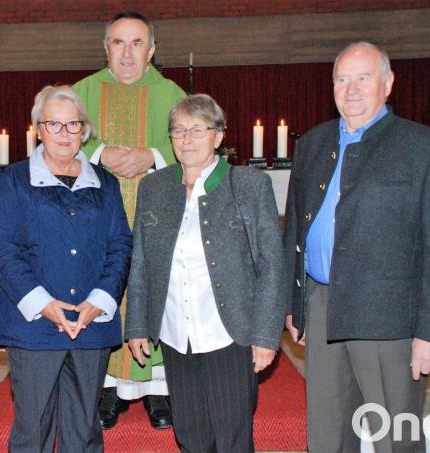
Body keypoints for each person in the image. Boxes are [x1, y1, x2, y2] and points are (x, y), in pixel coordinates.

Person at [283, 41, 430, 452]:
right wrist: (295, 306)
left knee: (394, 441)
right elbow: (295, 230)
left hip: (391, 322)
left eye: (363, 78)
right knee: (328, 439)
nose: (351, 89)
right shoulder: (312, 144)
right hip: (323, 308)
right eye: (342, 79)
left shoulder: (428, 149)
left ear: (388, 84)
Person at [125, 94, 287, 452]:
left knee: (231, 436)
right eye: (179, 130)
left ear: (218, 136)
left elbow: (272, 265)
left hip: (228, 333)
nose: (187, 139)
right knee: (191, 434)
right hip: (175, 332)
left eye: (198, 130)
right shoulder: (154, 188)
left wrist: (265, 335)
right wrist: (137, 325)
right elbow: (140, 262)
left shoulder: (247, 186)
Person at [0, 85, 132, 453]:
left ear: (84, 129)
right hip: (35, 326)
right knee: (32, 430)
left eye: (73, 124)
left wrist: (99, 301)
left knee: (83, 431)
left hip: (91, 323)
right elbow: (2, 248)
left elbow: (120, 245)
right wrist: (44, 304)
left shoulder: (106, 183)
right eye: (54, 124)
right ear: (38, 128)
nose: (64, 133)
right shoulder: (12, 181)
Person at [72, 10, 186, 430]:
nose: (127, 53)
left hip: (157, 215)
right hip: (94, 218)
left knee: (156, 290)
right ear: (106, 48)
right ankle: (107, 388)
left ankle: (159, 390)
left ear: (152, 51)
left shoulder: (172, 95)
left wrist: (153, 157)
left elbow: (194, 142)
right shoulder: (80, 93)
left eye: (137, 43)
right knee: (101, 288)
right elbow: (56, 138)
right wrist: (100, 152)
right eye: (118, 43)